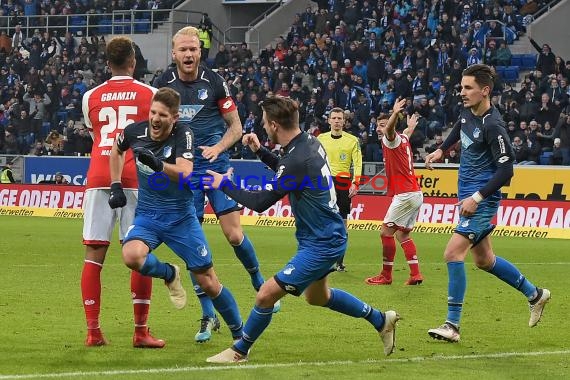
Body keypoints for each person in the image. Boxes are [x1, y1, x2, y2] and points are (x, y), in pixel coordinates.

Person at [204, 96, 399, 363]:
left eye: (263, 122)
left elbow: (260, 203)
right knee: (319, 297)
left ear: (274, 125)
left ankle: (240, 350)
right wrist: (261, 152)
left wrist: (222, 183)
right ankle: (381, 320)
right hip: (323, 237)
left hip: (322, 243)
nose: (261, 126)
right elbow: (290, 172)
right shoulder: (309, 141)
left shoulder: (297, 157)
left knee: (266, 295)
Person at [153, 26, 275, 343]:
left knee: (234, 234)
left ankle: (259, 283)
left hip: (216, 167)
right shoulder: (163, 84)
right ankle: (208, 316)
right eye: (183, 50)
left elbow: (235, 127)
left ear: (199, 51)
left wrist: (218, 149)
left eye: (194, 49)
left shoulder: (215, 81)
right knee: (193, 245)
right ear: (174, 53)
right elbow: (156, 126)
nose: (189, 54)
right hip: (185, 173)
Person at [424, 64, 551, 343]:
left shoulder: (494, 126)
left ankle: (452, 325)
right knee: (484, 260)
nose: (462, 92)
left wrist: (477, 197)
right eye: (461, 87)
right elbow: (459, 127)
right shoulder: (468, 113)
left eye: (468, 88)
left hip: (482, 199)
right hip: (466, 195)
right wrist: (441, 149)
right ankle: (535, 294)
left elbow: (507, 171)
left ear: (485, 91)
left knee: (452, 253)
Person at [108, 87, 244, 345]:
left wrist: (157, 164)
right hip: (148, 215)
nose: (155, 119)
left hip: (181, 218)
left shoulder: (185, 134)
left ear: (174, 118)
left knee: (209, 282)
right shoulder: (133, 132)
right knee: (131, 255)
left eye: (162, 115)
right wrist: (115, 185)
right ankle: (169, 273)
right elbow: (116, 152)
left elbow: (185, 172)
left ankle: (240, 336)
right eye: (152, 113)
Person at [80, 36, 163, 348]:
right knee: (139, 255)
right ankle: (140, 332)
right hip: (134, 178)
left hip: (99, 175)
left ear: (106, 63)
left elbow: (96, 134)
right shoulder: (150, 94)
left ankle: (93, 332)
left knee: (93, 257)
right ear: (133, 62)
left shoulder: (90, 96)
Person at [365, 98, 424, 286]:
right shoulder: (404, 138)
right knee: (402, 235)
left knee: (385, 232)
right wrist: (410, 126)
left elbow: (390, 131)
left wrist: (394, 114)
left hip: (405, 195)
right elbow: (405, 132)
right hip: (414, 194)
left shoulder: (390, 139)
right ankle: (416, 274)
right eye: (377, 126)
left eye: (381, 125)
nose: (378, 129)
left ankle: (386, 275)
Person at [317, 107, 362, 272]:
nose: (336, 121)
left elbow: (357, 163)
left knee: (342, 223)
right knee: (324, 221)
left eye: (339, 118)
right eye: (334, 118)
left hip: (344, 182)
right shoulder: (320, 139)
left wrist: (355, 183)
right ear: (329, 121)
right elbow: (314, 160)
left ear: (344, 121)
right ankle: (323, 258)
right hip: (325, 182)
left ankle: (339, 261)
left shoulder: (353, 140)